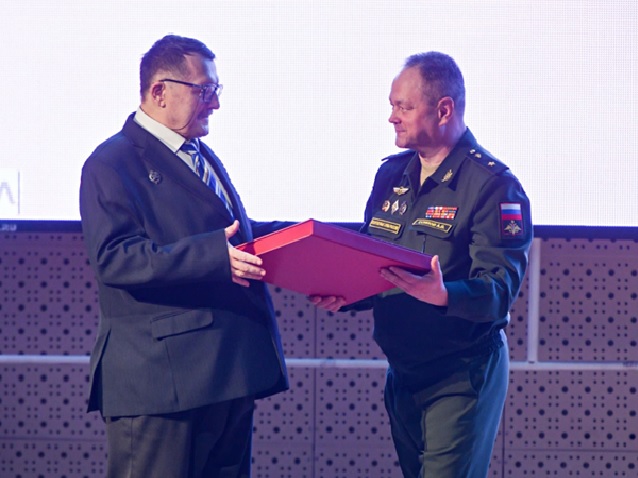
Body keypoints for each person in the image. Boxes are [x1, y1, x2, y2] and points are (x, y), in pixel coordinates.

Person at [311, 52, 532, 477]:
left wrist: (444, 294)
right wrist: (345, 293)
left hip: (461, 372)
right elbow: (375, 261)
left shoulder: (493, 185)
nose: (392, 117)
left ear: (444, 109)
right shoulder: (391, 175)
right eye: (392, 105)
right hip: (403, 370)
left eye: (404, 107)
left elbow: (501, 289)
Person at [79, 35, 289, 478]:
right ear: (159, 91)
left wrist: (301, 242)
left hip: (226, 374)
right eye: (204, 90)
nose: (215, 103)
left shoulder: (198, 152)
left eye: (217, 90)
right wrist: (213, 256)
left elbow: (230, 234)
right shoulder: (111, 162)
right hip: (161, 384)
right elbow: (115, 257)